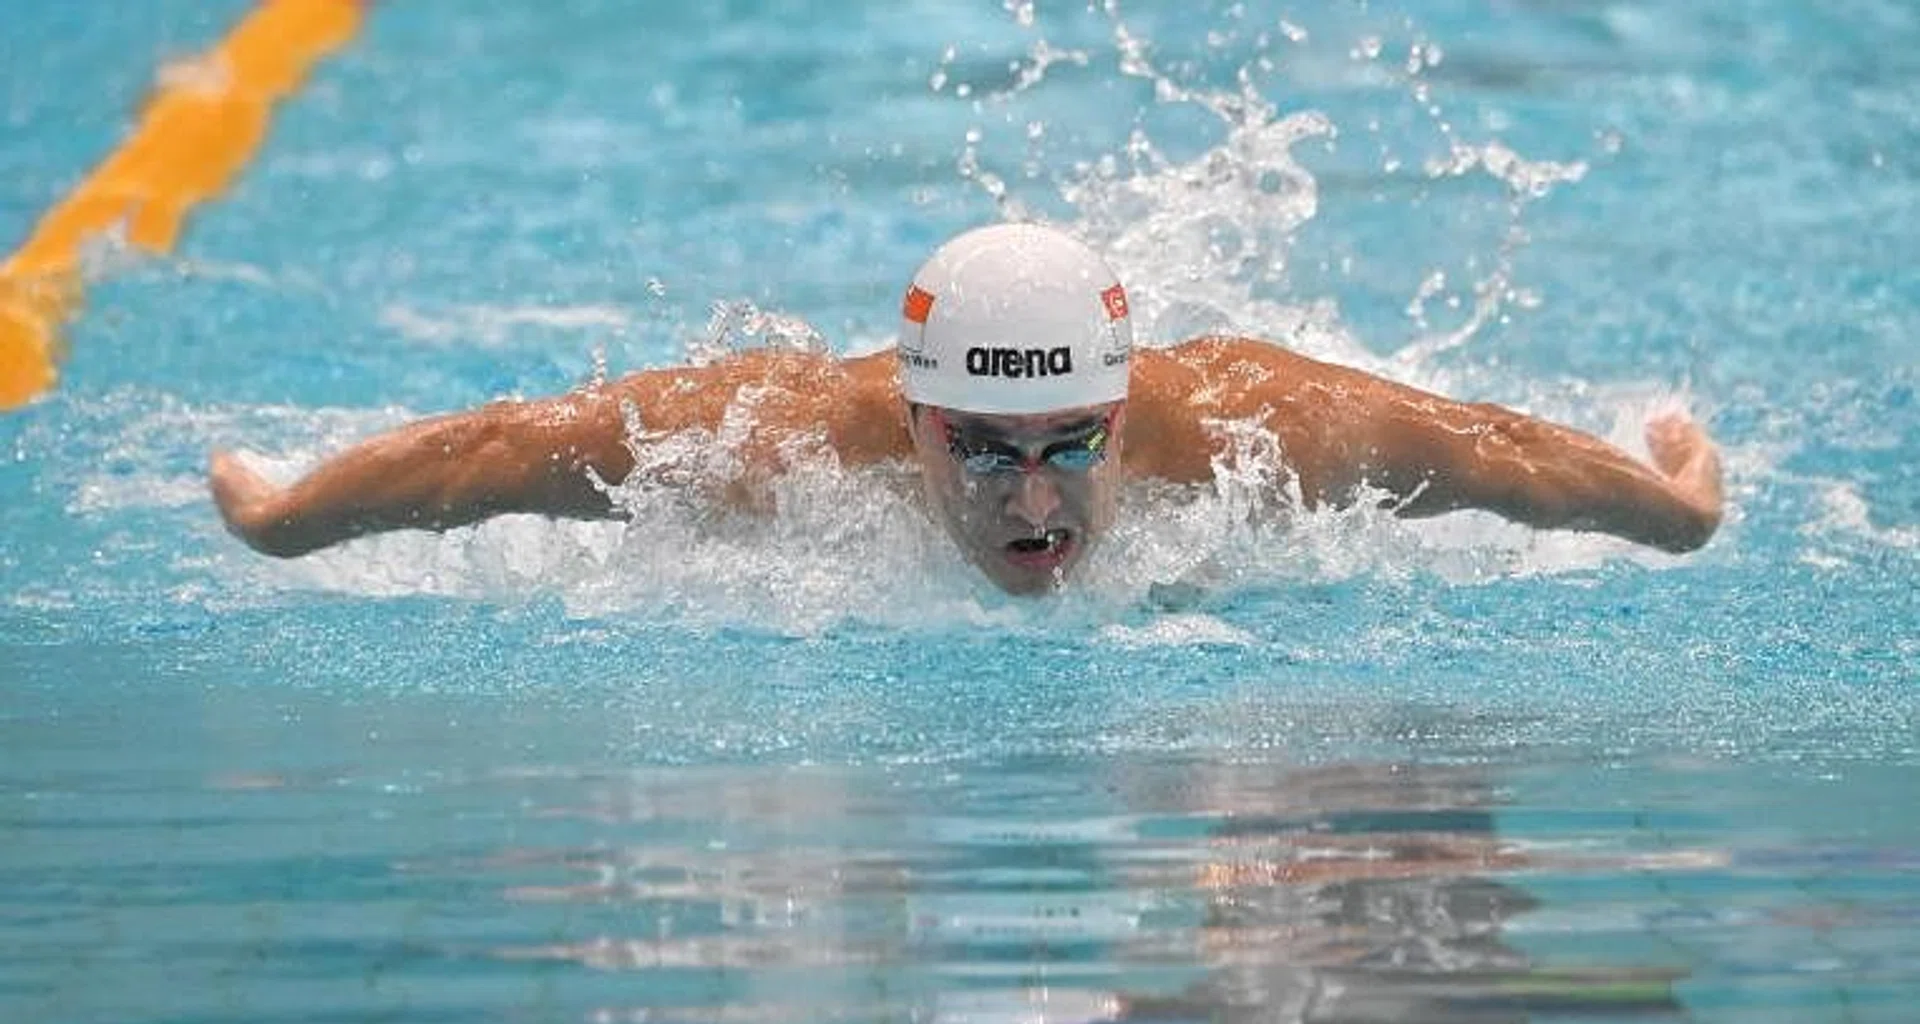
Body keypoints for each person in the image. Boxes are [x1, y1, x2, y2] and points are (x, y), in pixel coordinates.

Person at [209, 223, 1723, 594]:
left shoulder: (1263, 434)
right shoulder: (786, 437)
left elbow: (1489, 450)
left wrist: (1671, 507)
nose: (1036, 502)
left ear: (1127, 418)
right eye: (985, 453)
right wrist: (288, 517)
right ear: (915, 425)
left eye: (1075, 444)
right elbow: (505, 453)